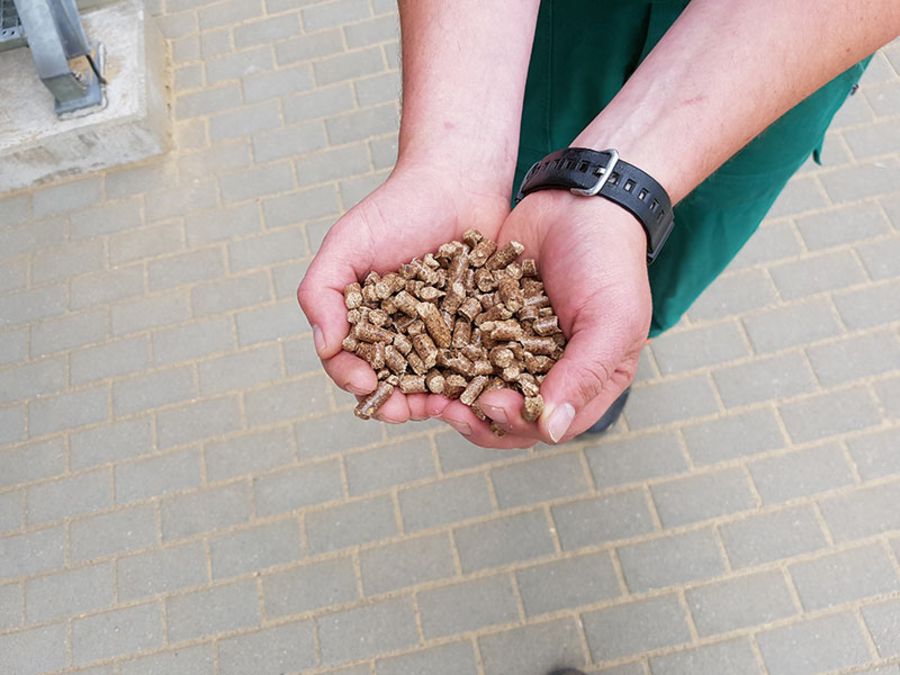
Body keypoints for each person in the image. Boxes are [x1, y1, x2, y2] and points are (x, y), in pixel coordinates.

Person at [298, 0, 900, 452]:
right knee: (531, 191)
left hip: (793, 44)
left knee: (669, 249)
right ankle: (590, 344)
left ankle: (611, 342)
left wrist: (622, 196)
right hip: (559, 23)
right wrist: (451, 156)